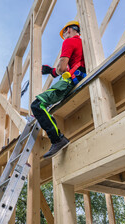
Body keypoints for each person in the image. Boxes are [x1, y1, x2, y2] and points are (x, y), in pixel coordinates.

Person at [31, 21, 86, 158]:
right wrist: (51, 71)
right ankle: (45, 117)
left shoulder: (69, 42)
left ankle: (57, 139)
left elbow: (62, 68)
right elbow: (63, 69)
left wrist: (56, 70)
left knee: (37, 105)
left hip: (70, 81)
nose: (64, 37)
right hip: (78, 76)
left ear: (68, 30)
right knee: (42, 105)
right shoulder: (82, 43)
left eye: (64, 34)